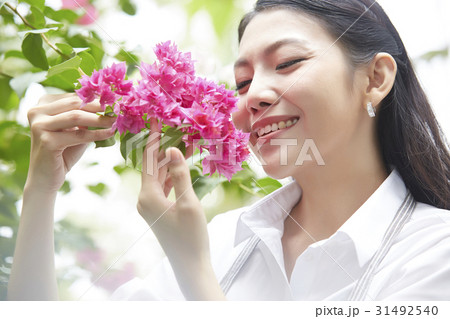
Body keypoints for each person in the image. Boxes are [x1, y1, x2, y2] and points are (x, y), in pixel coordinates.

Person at [7, 0, 450, 301]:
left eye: (288, 63)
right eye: (241, 82)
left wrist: (195, 272)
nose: (253, 94)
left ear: (375, 79)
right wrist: (42, 189)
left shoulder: (435, 252)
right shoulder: (225, 240)